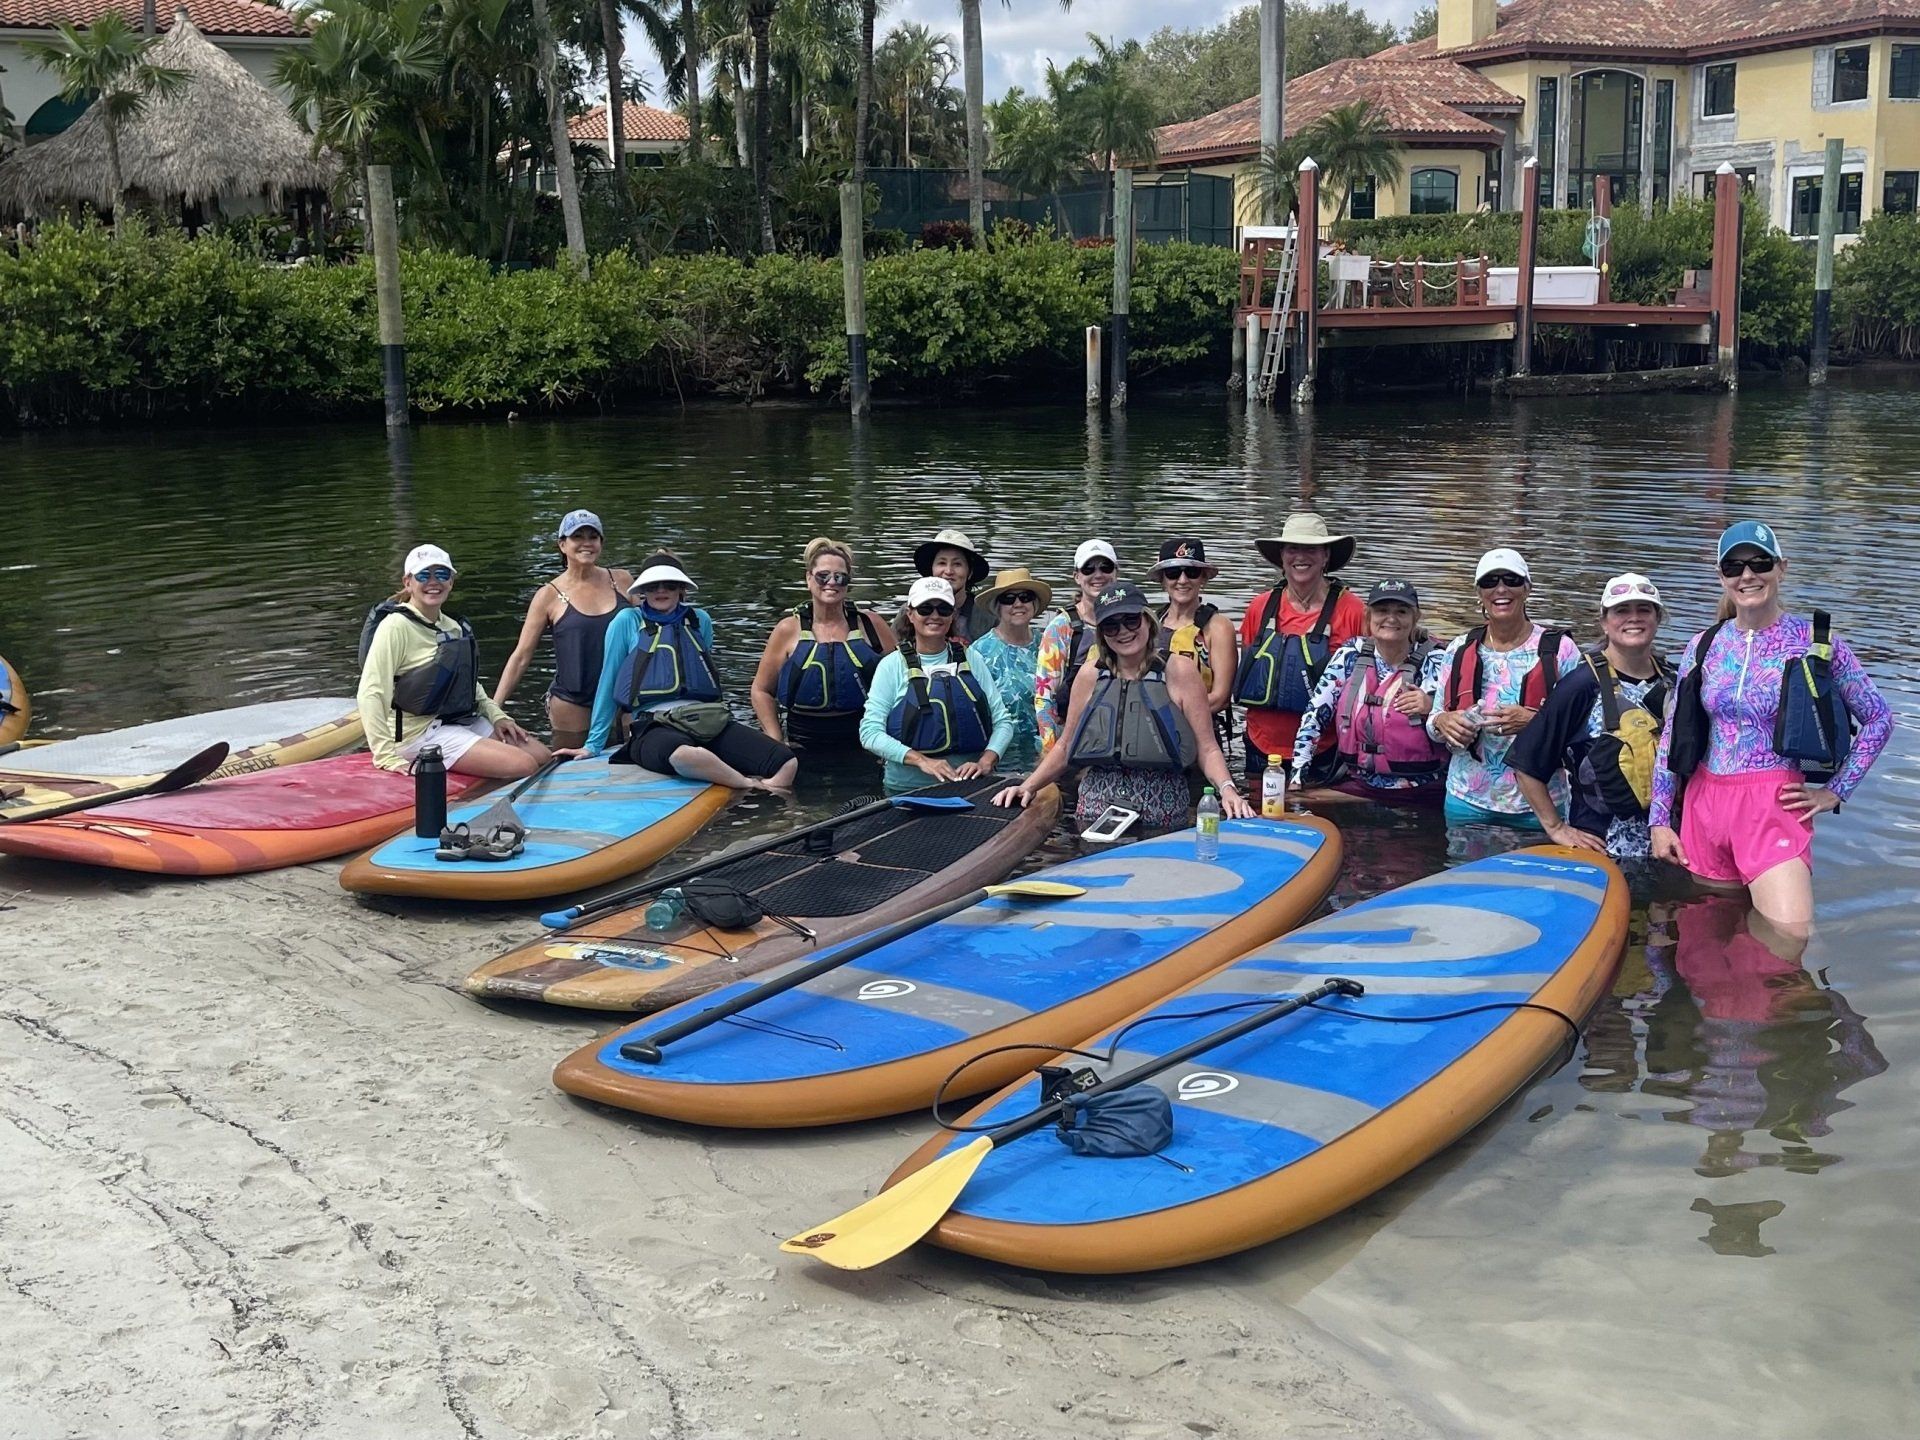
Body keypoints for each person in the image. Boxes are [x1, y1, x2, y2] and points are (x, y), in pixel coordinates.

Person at [1649, 521, 1891, 928]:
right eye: (1734, 567)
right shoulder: (1704, 644)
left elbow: (1878, 718)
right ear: (1721, 577)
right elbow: (1674, 734)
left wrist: (1834, 791)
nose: (1747, 575)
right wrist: (1659, 820)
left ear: (1782, 568)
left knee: (1788, 937)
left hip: (1773, 805)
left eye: (1760, 563)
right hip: (1705, 806)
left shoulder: (1815, 643)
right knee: (1709, 937)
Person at [995, 582, 1253, 830]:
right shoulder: (1089, 675)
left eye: (1131, 620)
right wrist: (1028, 786)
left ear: (1148, 621)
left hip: (1162, 809)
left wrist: (1228, 790)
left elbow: (1207, 748)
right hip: (1096, 807)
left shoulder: (1180, 671)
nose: (1123, 631)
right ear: (1102, 634)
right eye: (1111, 626)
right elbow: (1065, 746)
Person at [583, 552, 797, 790]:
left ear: (681, 588)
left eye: (669, 584)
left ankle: (769, 801)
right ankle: (746, 785)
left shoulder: (699, 620)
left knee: (786, 762)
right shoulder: (627, 621)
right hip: (653, 726)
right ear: (643, 590)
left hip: (705, 720)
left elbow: (702, 669)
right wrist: (593, 745)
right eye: (653, 585)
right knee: (686, 756)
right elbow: (608, 680)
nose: (661, 590)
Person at [1510, 573, 1671, 857]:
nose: (1634, 618)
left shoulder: (1675, 682)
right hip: (1600, 849)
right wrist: (1556, 828)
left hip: (1667, 845)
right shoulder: (1581, 685)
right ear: (1604, 622)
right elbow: (1526, 763)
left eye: (1644, 609)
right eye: (1621, 610)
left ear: (1657, 618)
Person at [358, 544, 550, 778]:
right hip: (416, 734)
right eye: (423, 575)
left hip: (455, 722)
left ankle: (481, 766)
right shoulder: (395, 626)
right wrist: (385, 755)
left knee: (542, 756)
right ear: (408, 582)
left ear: (451, 582)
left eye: (441, 574)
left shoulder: (452, 626)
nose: (433, 582)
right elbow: (371, 692)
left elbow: (468, 684)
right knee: (524, 765)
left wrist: (498, 716)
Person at [1427, 547, 1583, 827]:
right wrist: (1443, 721)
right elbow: (1433, 721)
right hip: (1465, 802)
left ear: (1527, 589)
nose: (1501, 589)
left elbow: (1584, 730)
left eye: (1511, 580)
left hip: (1540, 808)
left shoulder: (1561, 650)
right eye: (1490, 581)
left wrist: (1535, 722)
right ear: (1479, 593)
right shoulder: (1458, 648)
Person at [1234, 513, 1367, 792]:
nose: (1300, 557)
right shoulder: (1259, 607)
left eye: (1311, 549)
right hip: (1260, 746)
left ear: (1326, 556)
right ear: (1282, 557)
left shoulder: (1353, 611)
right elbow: (1248, 668)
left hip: (1324, 751)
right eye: (1293, 548)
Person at [1290, 579, 1447, 804]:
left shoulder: (1438, 660)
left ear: (1415, 618)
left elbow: (1460, 723)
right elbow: (1314, 717)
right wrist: (1297, 777)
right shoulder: (1350, 655)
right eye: (1382, 611)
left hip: (1426, 787)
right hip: (1361, 785)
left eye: (1401, 612)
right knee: (1290, 802)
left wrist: (1432, 708)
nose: (1391, 618)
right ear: (1368, 616)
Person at [493, 509, 634, 750]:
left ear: (601, 543)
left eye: (593, 537)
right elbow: (522, 656)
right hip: (573, 703)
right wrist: (494, 709)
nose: (586, 543)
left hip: (623, 697)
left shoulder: (622, 581)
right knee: (572, 764)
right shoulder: (548, 595)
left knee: (634, 757)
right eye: (578, 537)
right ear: (562, 544)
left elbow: (653, 629)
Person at [860, 577, 1014, 793]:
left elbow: (1003, 721)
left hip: (969, 784)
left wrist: (986, 761)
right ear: (910, 614)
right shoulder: (891, 665)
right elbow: (870, 733)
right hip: (906, 787)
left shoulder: (972, 658)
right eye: (925, 609)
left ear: (952, 616)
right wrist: (922, 760)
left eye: (943, 609)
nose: (935, 616)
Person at [749, 538, 895, 755]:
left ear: (848, 583)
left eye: (840, 577)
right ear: (809, 579)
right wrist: (776, 741)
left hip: (864, 739)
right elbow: (761, 690)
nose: (832, 582)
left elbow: (901, 681)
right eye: (823, 576)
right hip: (802, 740)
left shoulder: (871, 624)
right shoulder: (787, 629)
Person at [1035, 538, 1121, 753]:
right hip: (1072, 741)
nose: (1098, 575)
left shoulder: (1130, 623)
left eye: (1105, 567)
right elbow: (1044, 697)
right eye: (1088, 568)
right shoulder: (1061, 628)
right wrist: (1050, 752)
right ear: (1077, 576)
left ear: (1116, 573)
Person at [968, 566, 1052, 771]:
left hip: (1046, 757)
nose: (1018, 604)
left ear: (1034, 603)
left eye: (1025, 597)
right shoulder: (978, 652)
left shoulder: (1049, 646)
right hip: (998, 758)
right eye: (1008, 599)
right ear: (997, 607)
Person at [1152, 538, 1238, 719]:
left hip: (1198, 728)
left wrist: (1168, 716)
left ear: (1203, 578)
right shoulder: (1148, 624)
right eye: (1173, 573)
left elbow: (1220, 698)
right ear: (1162, 579)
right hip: (1150, 727)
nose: (1182, 580)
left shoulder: (1218, 628)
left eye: (1192, 572)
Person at [912, 528, 990, 643]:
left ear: (970, 572)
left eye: (957, 564)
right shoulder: (913, 609)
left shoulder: (987, 615)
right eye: (942, 563)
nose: (948, 571)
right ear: (932, 570)